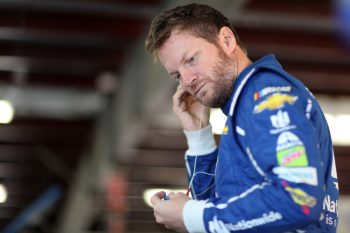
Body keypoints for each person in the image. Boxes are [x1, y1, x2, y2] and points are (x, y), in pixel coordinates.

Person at [145, 3, 339, 233]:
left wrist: (191, 214)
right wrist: (199, 138)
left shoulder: (267, 96)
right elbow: (223, 211)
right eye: (177, 75)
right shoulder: (243, 106)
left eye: (191, 60)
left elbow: (300, 199)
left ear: (226, 40)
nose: (187, 81)